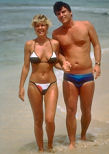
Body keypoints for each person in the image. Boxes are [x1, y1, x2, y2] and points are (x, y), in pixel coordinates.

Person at [52, 1, 101, 149]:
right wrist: (62, 62)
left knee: (86, 110)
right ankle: (72, 142)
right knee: (70, 111)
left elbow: (96, 44)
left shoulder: (86, 25)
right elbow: (56, 55)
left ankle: (84, 134)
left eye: (63, 11)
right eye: (58, 14)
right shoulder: (56, 33)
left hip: (87, 75)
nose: (61, 15)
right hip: (70, 77)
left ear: (70, 12)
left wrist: (97, 64)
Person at [18, 14, 61, 152]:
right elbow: (26, 67)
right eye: (37, 26)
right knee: (38, 120)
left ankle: (50, 146)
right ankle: (41, 149)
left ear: (47, 26)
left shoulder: (54, 43)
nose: (40, 28)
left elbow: (56, 64)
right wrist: (21, 87)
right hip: (33, 85)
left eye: (42, 25)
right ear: (34, 28)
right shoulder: (29, 44)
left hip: (51, 84)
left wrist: (65, 66)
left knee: (49, 119)